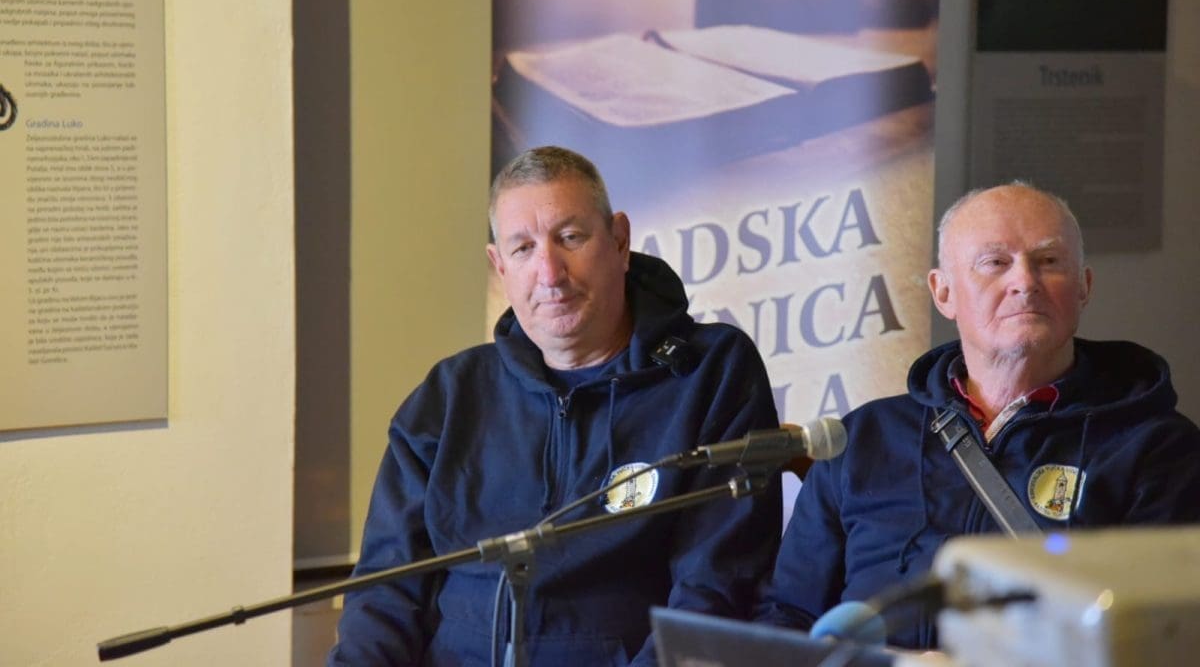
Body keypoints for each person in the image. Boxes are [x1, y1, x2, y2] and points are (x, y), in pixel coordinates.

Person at [329, 146, 781, 666]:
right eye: (523, 248)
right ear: (499, 265)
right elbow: (385, 591)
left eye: (570, 238)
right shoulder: (450, 396)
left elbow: (713, 590)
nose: (549, 272)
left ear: (620, 241)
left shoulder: (710, 372)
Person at [756, 182, 1200, 651]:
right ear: (943, 291)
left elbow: (1165, 643)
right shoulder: (863, 438)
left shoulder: (1158, 449)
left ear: (1084, 286)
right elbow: (789, 615)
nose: (1025, 281)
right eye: (995, 262)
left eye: (1049, 261)